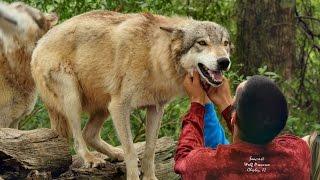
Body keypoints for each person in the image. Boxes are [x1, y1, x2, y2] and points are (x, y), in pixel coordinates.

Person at [174, 71, 311, 180]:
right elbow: (254, 135)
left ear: (234, 117)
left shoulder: (210, 166)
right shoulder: (298, 155)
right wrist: (226, 105)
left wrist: (197, 102)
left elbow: (184, 159)